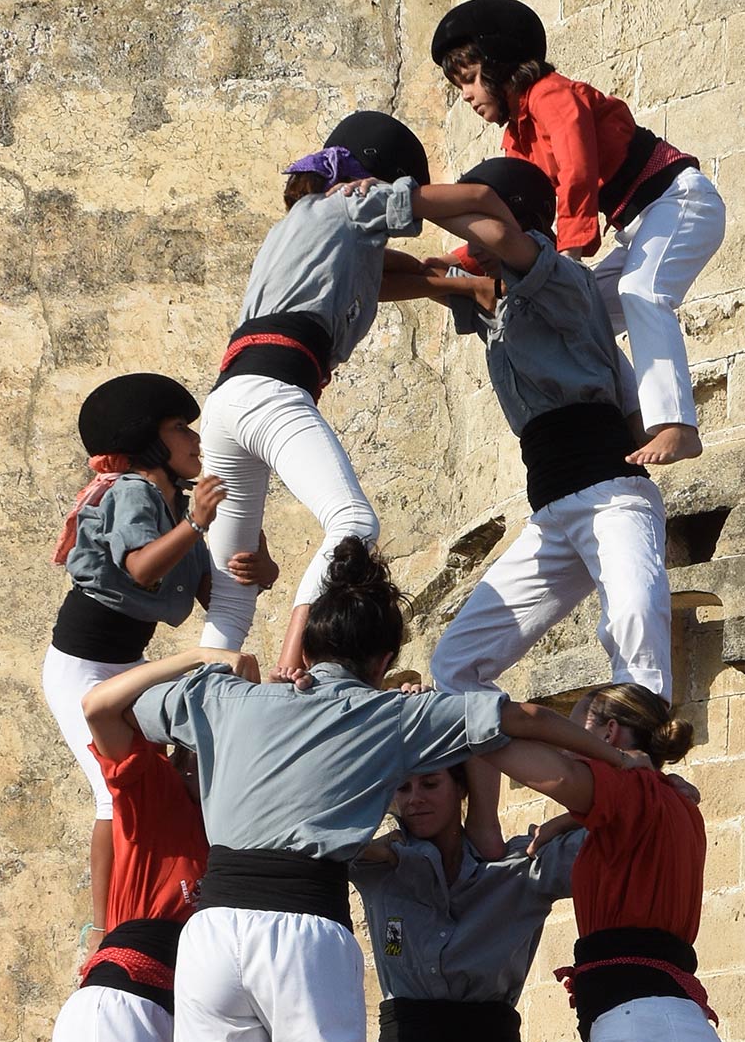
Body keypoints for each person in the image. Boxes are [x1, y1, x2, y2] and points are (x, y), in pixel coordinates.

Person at [129, 537, 654, 1042]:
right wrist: (617, 757)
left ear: (312, 649)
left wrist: (218, 666)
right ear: (382, 661)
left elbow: (135, 706)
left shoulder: (227, 697)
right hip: (302, 925)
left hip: (211, 931)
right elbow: (528, 717)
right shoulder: (387, 716)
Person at [196, 111, 549, 679]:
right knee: (354, 523)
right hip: (272, 391)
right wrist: (510, 238)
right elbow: (477, 195)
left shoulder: (305, 225)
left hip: (228, 400)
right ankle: (294, 658)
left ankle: (196, 732)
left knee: (233, 594)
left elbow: (383, 275)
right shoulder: (351, 204)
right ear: (377, 177)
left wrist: (458, 286)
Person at [389, 157, 670, 788]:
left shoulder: (563, 282)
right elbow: (396, 277)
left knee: (634, 618)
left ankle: (645, 771)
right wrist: (346, 226)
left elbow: (497, 228)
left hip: (609, 495)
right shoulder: (490, 300)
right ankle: (571, 773)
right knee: (455, 665)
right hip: (551, 513)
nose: (471, 248)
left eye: (479, 228)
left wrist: (399, 195)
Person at [431, 0, 726, 468]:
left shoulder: (552, 95)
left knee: (641, 291)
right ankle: (632, 417)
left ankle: (676, 425)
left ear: (501, 63)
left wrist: (570, 249)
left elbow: (577, 168)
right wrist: (460, 260)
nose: (465, 94)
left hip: (679, 201)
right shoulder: (516, 139)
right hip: (639, 225)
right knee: (588, 316)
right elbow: (518, 217)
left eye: (468, 79)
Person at [47, 371, 276, 928]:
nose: (195, 441)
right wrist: (198, 524)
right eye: (181, 429)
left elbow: (208, 592)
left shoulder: (176, 509)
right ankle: (103, 928)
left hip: (127, 662)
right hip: (82, 666)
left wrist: (262, 569)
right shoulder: (134, 494)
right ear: (149, 442)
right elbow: (140, 568)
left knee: (172, 764)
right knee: (110, 789)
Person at [46, 643, 248, 1042]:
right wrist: (195, 655)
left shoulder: (231, 828)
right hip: (123, 1007)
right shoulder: (155, 786)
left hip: (179, 1023)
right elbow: (98, 709)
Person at [350, 765, 584, 1042]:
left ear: (462, 788)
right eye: (402, 788)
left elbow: (618, 831)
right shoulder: (378, 868)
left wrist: (645, 785)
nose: (415, 798)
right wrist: (374, 840)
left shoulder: (519, 868)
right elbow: (307, 827)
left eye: (430, 783)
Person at [544, 683, 730, 1042]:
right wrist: (564, 823)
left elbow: (528, 758)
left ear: (609, 732)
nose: (567, 740)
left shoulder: (632, 788)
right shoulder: (672, 801)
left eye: (575, 727)